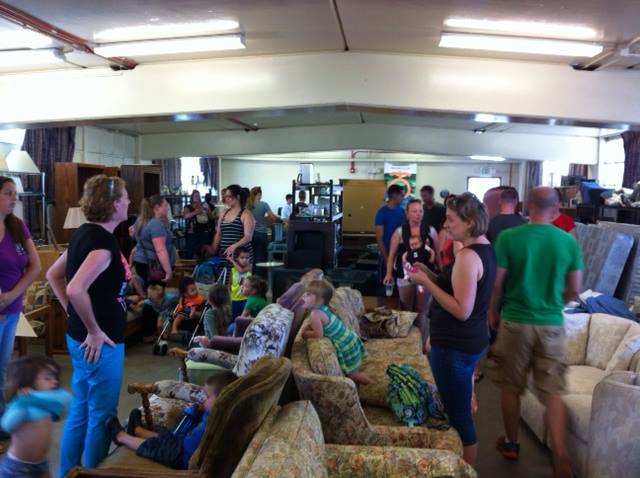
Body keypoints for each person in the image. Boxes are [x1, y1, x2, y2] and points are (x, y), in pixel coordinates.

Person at [488, 187, 582, 478]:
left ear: (527, 206)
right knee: (552, 391)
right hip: (551, 324)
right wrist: (555, 305)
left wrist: (492, 312)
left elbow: (496, 284)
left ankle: (511, 443)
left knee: (511, 386)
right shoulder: (567, 241)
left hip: (515, 321)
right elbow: (575, 289)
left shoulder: (509, 237)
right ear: (556, 210)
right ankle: (561, 457)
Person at [46, 174, 131, 476]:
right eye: (125, 197)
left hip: (80, 338)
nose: (130, 202)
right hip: (99, 343)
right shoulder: (103, 243)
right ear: (114, 204)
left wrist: (74, 315)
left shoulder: (84, 233)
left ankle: (68, 472)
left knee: (81, 410)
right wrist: (93, 329)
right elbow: (74, 288)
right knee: (101, 415)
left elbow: (53, 275)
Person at [408, 192, 496, 467]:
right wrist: (430, 274)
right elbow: (456, 288)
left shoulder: (468, 256)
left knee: (460, 421)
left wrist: (426, 283)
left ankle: (463, 470)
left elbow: (461, 309)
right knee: (459, 407)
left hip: (454, 347)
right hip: (469, 342)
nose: (445, 225)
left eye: (451, 219)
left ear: (469, 222)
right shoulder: (484, 248)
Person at [105, 372, 236, 470]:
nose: (203, 399)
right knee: (166, 436)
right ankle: (137, 430)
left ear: (222, 399)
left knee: (155, 446)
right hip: (184, 445)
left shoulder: (212, 423)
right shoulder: (218, 412)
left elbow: (190, 445)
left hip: (183, 457)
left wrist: (190, 418)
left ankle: (122, 437)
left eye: (207, 397)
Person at [0, 176, 41, 438]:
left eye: (15, 193)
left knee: (3, 367)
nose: (14, 198)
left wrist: (12, 295)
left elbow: (35, 266)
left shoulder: (17, 226)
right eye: (8, 193)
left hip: (12, 308)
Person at [0, 355, 71, 477]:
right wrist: (24, 402)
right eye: (48, 378)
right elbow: (6, 425)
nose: (55, 381)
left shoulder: (46, 404)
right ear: (28, 380)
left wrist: (35, 396)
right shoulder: (21, 404)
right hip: (17, 466)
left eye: (55, 377)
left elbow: (67, 400)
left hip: (41, 463)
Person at [384, 199, 440, 343]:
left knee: (421, 310)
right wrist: (389, 273)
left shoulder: (431, 230)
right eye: (414, 211)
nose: (418, 214)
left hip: (425, 275)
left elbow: (437, 254)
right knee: (406, 309)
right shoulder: (399, 231)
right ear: (407, 213)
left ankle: (420, 343)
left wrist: (440, 273)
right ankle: (406, 342)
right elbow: (392, 255)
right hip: (405, 274)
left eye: (420, 211)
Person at [301, 280, 371, 385]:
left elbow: (318, 334)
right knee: (355, 370)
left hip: (345, 344)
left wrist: (305, 334)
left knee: (353, 375)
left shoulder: (315, 314)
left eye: (308, 294)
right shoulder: (323, 308)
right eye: (304, 293)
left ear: (319, 300)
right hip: (349, 337)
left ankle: (371, 385)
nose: (303, 296)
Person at [209, 184, 255, 278]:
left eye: (229, 196)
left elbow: (248, 237)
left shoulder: (246, 214)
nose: (226, 199)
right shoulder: (224, 213)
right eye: (225, 196)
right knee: (225, 281)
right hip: (225, 255)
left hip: (241, 257)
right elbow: (218, 234)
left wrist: (234, 246)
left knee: (240, 284)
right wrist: (213, 249)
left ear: (237, 197)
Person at [132, 195, 175, 286]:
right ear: (157, 207)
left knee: (148, 290)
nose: (168, 208)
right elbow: (160, 250)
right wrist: (168, 271)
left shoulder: (141, 221)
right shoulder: (155, 224)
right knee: (156, 292)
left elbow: (133, 235)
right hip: (154, 266)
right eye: (165, 206)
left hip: (142, 262)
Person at [374, 184, 406, 294]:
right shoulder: (382, 212)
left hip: (400, 256)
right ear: (394, 195)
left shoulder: (402, 211)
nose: (403, 197)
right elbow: (379, 238)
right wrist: (387, 258)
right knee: (386, 287)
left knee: (399, 287)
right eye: (402, 195)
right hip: (386, 254)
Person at [247, 186, 282, 266]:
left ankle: (253, 272)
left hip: (251, 234)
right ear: (259, 194)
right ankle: (260, 273)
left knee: (252, 255)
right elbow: (273, 217)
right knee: (261, 257)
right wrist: (281, 220)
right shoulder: (264, 204)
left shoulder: (248, 205)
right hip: (261, 233)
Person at [182, 190, 213, 259]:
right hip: (192, 233)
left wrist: (208, 211)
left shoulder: (204, 205)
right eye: (195, 196)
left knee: (203, 251)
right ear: (192, 197)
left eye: (198, 196)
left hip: (204, 231)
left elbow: (211, 217)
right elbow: (186, 216)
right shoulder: (188, 207)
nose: (197, 197)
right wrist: (197, 212)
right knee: (191, 251)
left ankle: (202, 263)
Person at [229, 246, 252, 326]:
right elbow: (230, 284)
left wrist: (232, 261)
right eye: (242, 258)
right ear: (237, 258)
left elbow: (241, 270)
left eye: (247, 258)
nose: (245, 260)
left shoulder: (249, 267)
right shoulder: (233, 270)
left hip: (246, 298)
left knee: (245, 319)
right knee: (234, 318)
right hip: (235, 298)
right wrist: (229, 296)